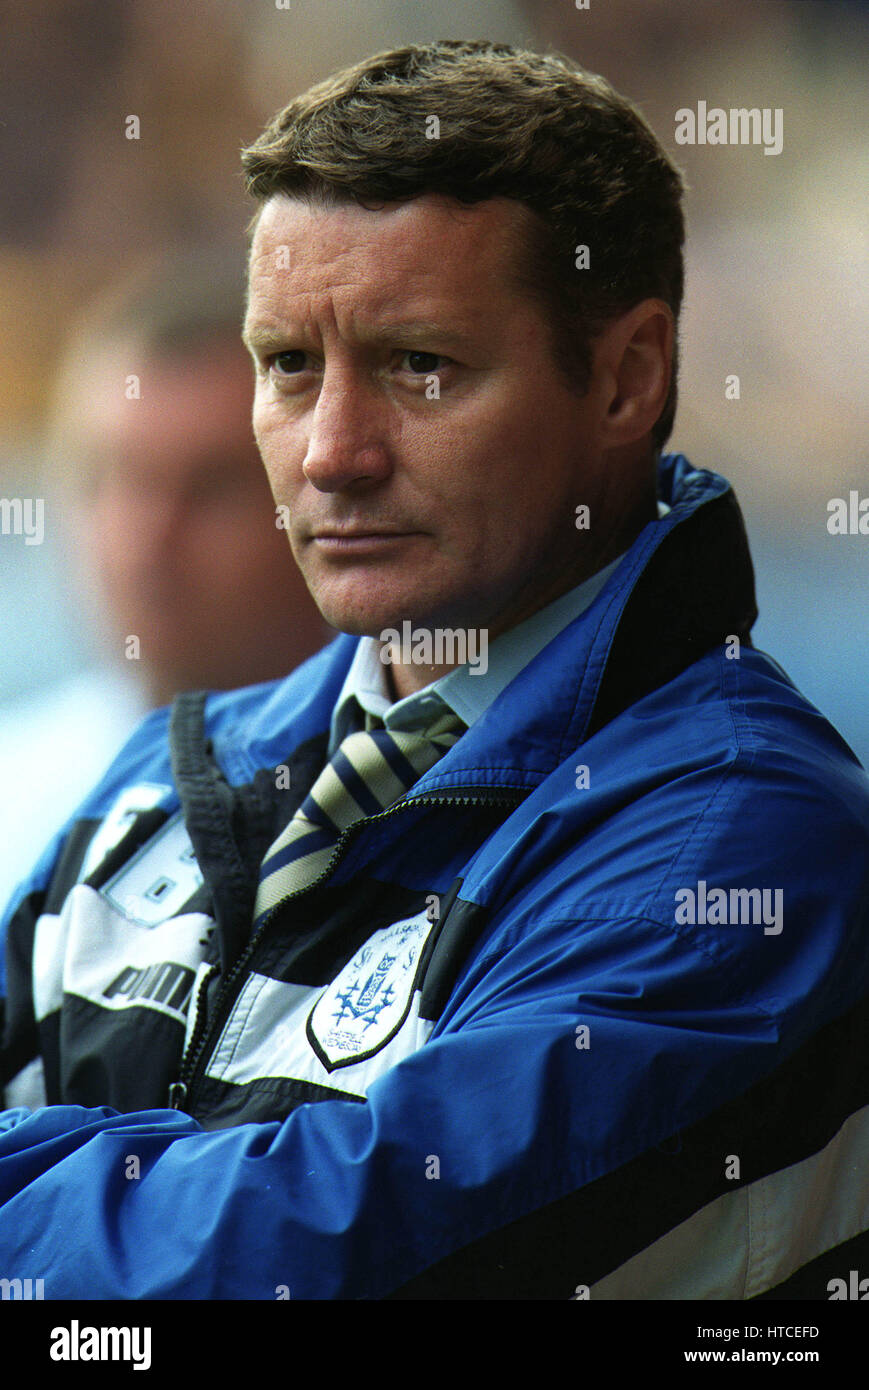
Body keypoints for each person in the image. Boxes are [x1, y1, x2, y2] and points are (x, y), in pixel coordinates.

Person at [1, 39, 867, 1301]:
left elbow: (311, 1271)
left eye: (421, 367)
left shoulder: (738, 844)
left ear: (628, 377)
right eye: (290, 366)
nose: (333, 454)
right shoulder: (170, 772)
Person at [0, 252, 332, 908]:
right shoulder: (17, 793)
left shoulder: (395, 792)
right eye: (112, 477)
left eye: (212, 487)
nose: (147, 538)